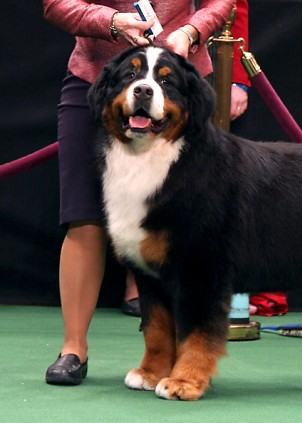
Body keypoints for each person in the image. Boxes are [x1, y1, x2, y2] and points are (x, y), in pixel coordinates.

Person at [42, 0, 234, 385]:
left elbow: (221, 2)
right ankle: (73, 348)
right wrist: (110, 21)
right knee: (84, 216)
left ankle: (182, 358)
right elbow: (55, 4)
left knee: (188, 232)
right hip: (98, 78)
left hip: (179, 84)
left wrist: (191, 32)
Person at [120, 0, 250, 318]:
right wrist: (111, 21)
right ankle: (141, 289)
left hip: (185, 70)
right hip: (103, 62)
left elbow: (229, 7)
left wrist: (193, 34)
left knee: (192, 215)